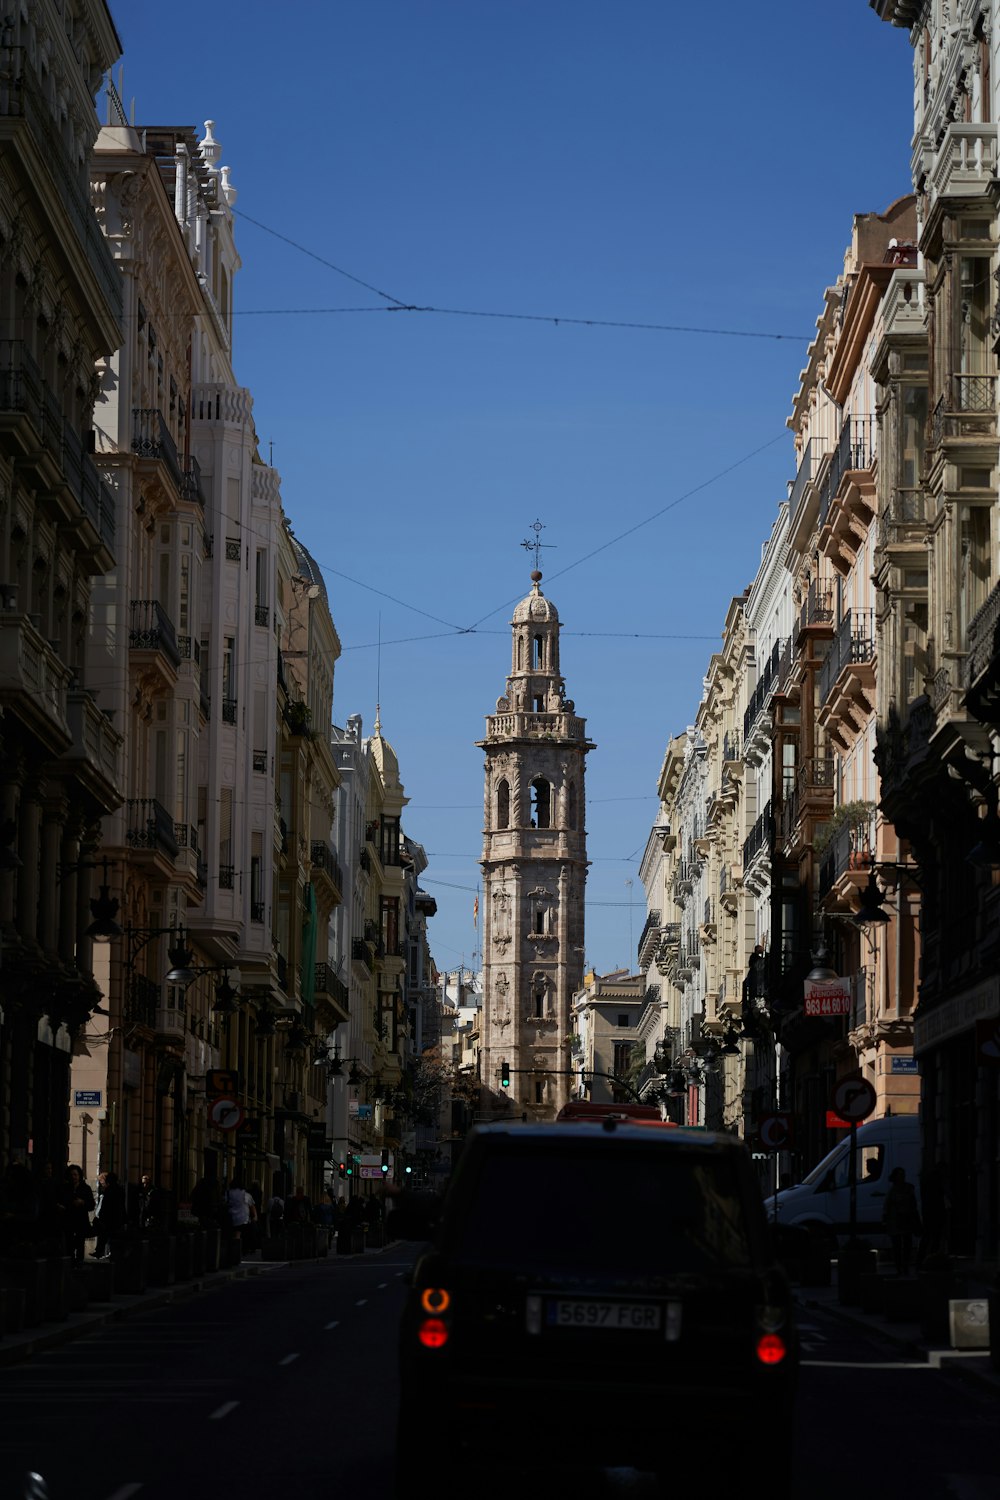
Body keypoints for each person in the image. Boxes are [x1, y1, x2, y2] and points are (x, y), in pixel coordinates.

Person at [882, 1165, 922, 1275]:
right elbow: (887, 1206)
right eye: (900, 1175)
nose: (902, 1177)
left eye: (903, 1175)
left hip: (906, 1220)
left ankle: (904, 1266)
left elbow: (913, 1205)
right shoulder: (894, 1190)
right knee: (898, 1246)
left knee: (906, 1245)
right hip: (896, 1221)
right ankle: (900, 1267)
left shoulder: (908, 1188)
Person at [59, 1164, 95, 1263]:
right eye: (71, 1175)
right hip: (68, 1221)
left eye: (75, 1174)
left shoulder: (85, 1188)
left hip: (81, 1221)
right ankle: (70, 1263)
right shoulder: (65, 1188)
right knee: (68, 1243)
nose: (73, 1177)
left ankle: (79, 1263)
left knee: (80, 1243)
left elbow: (91, 1205)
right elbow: (61, 1201)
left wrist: (82, 1202)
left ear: (79, 1176)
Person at [92, 1170, 125, 1259]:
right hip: (116, 1218)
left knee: (105, 1235)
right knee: (108, 1236)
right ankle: (104, 1252)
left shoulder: (109, 1190)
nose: (101, 1183)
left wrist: (101, 1217)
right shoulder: (120, 1190)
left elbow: (105, 1207)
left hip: (108, 1219)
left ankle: (101, 1252)